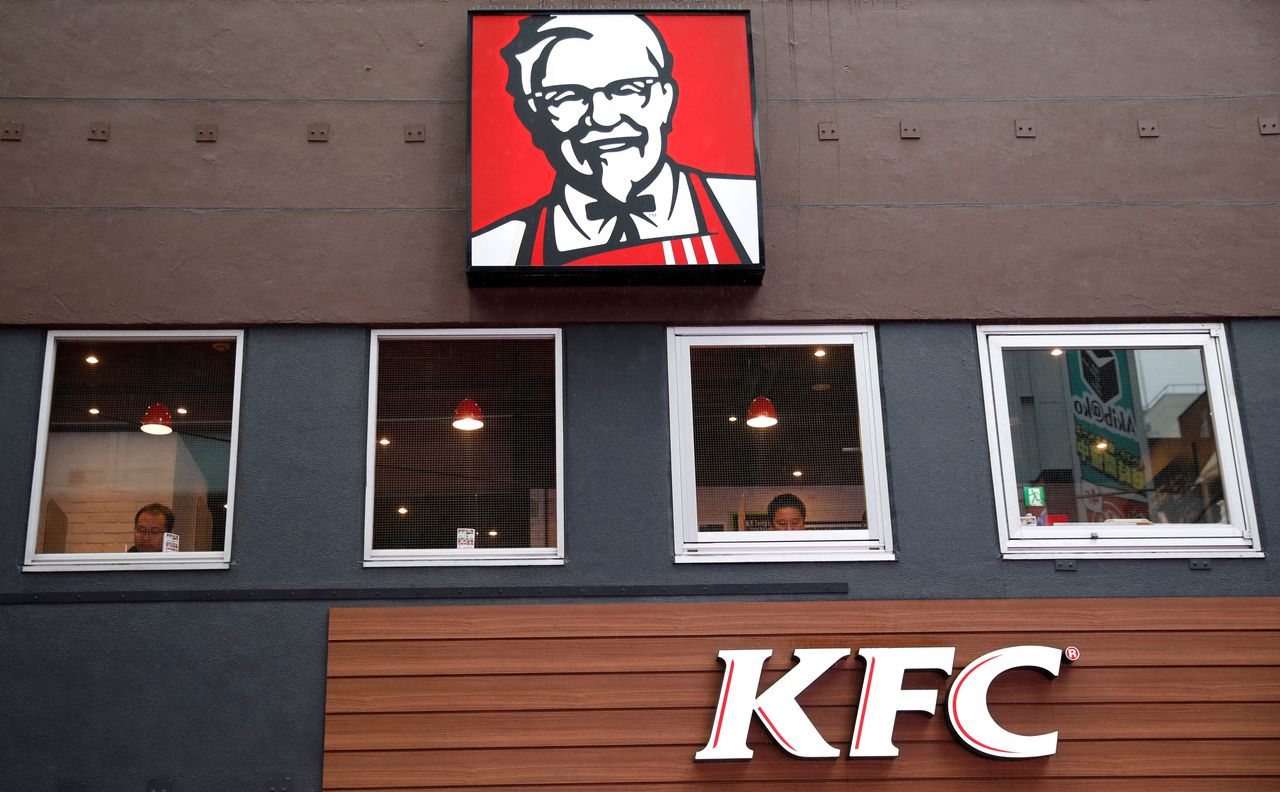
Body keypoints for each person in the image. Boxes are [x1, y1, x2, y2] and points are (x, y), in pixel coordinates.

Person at [471, 13, 761, 268]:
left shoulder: (739, 210)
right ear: (534, 118)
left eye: (628, 89)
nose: (603, 117)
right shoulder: (501, 249)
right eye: (568, 96)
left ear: (666, 100)